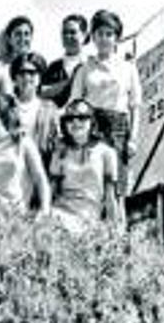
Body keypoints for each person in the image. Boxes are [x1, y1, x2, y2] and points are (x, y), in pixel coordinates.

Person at [69, 9, 141, 198]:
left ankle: (118, 227)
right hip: (92, 128)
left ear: (116, 38)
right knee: (93, 185)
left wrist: (132, 139)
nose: (104, 39)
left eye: (109, 34)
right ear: (93, 36)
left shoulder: (128, 68)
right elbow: (74, 105)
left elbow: (135, 106)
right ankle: (94, 228)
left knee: (118, 187)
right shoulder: (84, 70)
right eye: (100, 34)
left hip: (119, 128)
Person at [49, 99, 119, 233]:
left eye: (82, 118)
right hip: (60, 213)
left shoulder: (106, 152)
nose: (75, 122)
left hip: (89, 216)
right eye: (70, 118)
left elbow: (110, 196)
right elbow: (51, 192)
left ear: (91, 122)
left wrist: (115, 229)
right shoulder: (59, 152)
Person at [10, 51, 60, 162]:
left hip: (42, 166)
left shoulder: (50, 109)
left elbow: (57, 144)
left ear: (40, 77)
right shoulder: (6, 107)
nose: (27, 77)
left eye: (32, 73)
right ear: (14, 77)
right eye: (22, 73)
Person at [42, 14, 88, 107]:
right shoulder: (53, 67)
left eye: (73, 32)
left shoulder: (92, 64)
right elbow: (42, 93)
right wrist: (69, 82)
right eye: (64, 32)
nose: (68, 36)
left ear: (84, 35)